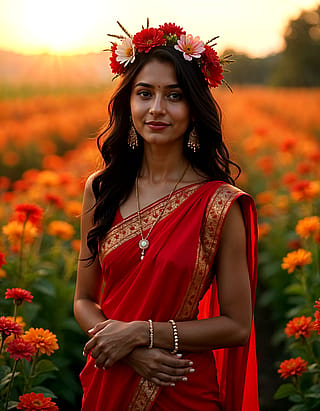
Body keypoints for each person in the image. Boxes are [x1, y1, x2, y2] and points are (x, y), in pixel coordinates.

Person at [74, 20, 259, 411]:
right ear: (130, 102)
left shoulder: (219, 204)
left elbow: (237, 325)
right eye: (145, 93)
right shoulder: (101, 189)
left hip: (180, 384)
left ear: (194, 109)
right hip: (109, 380)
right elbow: (84, 299)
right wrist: (126, 351)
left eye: (174, 96)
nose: (156, 109)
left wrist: (142, 334)